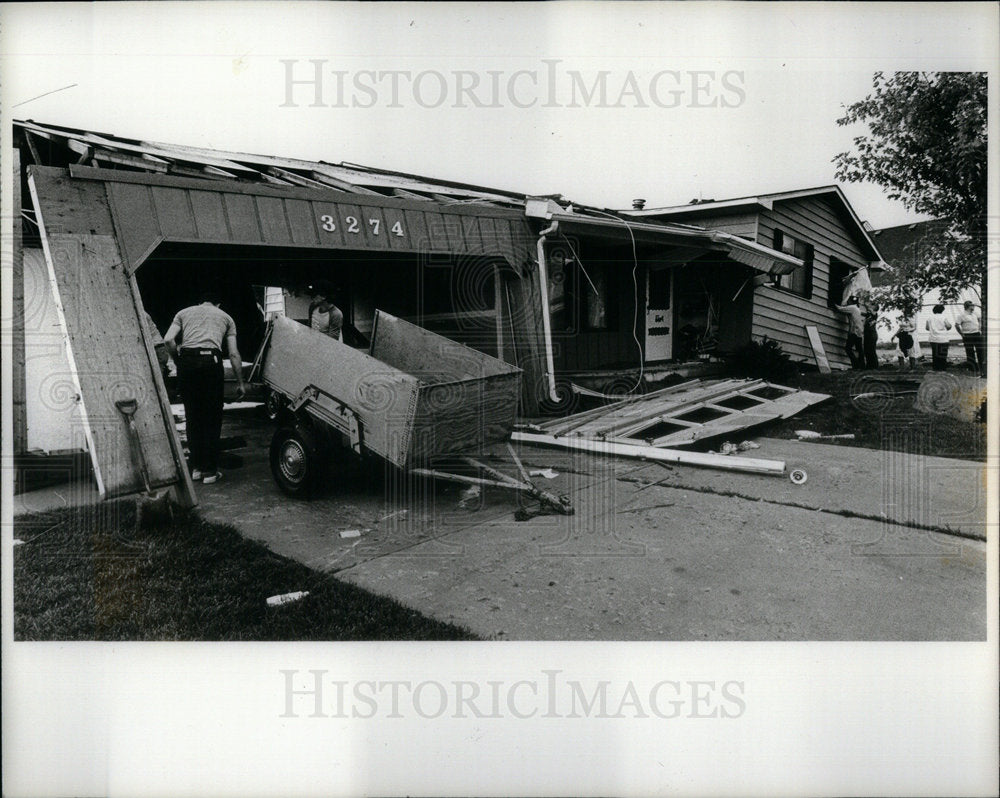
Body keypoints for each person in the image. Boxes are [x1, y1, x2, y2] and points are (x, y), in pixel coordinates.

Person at [164, 290, 245, 484]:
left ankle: (197, 469)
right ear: (218, 304)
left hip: (187, 363)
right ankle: (210, 471)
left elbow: (168, 339)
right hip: (211, 362)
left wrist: (179, 361)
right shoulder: (226, 317)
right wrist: (241, 383)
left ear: (200, 302)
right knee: (211, 416)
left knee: (193, 416)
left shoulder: (183, 313)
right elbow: (233, 354)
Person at [955, 300, 985, 377]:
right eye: (972, 306)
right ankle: (972, 368)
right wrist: (961, 334)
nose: (974, 307)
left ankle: (982, 367)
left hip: (977, 334)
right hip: (967, 335)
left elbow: (980, 319)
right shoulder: (961, 315)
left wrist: (980, 327)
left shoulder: (975, 314)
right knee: (970, 352)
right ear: (968, 306)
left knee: (980, 351)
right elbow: (957, 325)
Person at [834, 296, 866, 369]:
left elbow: (840, 309)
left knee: (848, 348)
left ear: (851, 302)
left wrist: (833, 303)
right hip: (859, 330)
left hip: (854, 330)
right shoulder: (857, 309)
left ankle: (856, 365)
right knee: (859, 349)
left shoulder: (852, 308)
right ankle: (862, 366)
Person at [143, 310, 171, 383]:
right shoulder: (142, 312)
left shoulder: (140, 313)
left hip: (156, 348)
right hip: (158, 348)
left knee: (157, 380)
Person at [925, 304, 953, 371]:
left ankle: (935, 368)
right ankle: (943, 368)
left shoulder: (929, 318)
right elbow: (948, 326)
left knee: (935, 354)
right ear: (942, 310)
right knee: (943, 355)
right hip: (943, 338)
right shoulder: (943, 317)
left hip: (933, 338)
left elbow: (927, 328)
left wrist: (933, 329)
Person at [862, 303, 879, 369]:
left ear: (875, 308)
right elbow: (863, 313)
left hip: (872, 334)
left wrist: (867, 306)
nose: (870, 307)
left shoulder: (875, 314)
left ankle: (875, 366)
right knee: (867, 350)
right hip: (867, 334)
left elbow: (870, 310)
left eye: (872, 306)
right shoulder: (869, 314)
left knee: (872, 350)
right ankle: (869, 366)